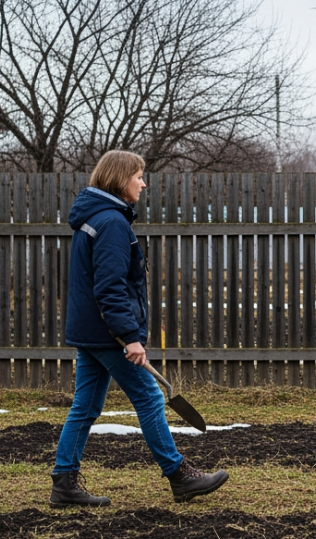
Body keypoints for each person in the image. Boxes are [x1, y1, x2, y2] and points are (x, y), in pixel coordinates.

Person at [50, 150, 228, 506]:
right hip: (108, 333)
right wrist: (129, 337)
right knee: (148, 397)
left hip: (92, 331)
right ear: (120, 179)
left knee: (85, 407)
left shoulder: (95, 218)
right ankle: (179, 475)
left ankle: (64, 483)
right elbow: (110, 286)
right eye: (138, 176)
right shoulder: (113, 223)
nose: (143, 183)